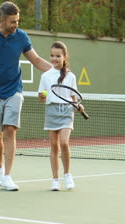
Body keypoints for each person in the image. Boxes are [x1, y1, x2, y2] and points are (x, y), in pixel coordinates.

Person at [0, 1, 51, 191]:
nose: (16, 25)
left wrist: (60, 71)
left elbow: (37, 60)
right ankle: (0, 169)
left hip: (15, 90)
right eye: (13, 22)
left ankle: (7, 176)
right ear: (2, 20)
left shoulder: (21, 37)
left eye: (17, 21)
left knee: (10, 130)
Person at [38, 41, 84, 191]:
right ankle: (55, 180)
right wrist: (42, 97)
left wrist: (77, 105)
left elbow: (73, 96)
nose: (54, 59)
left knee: (64, 143)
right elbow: (42, 96)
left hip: (66, 111)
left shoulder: (71, 76)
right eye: (52, 56)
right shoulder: (45, 76)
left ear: (64, 57)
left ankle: (67, 175)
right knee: (54, 146)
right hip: (51, 110)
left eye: (58, 56)